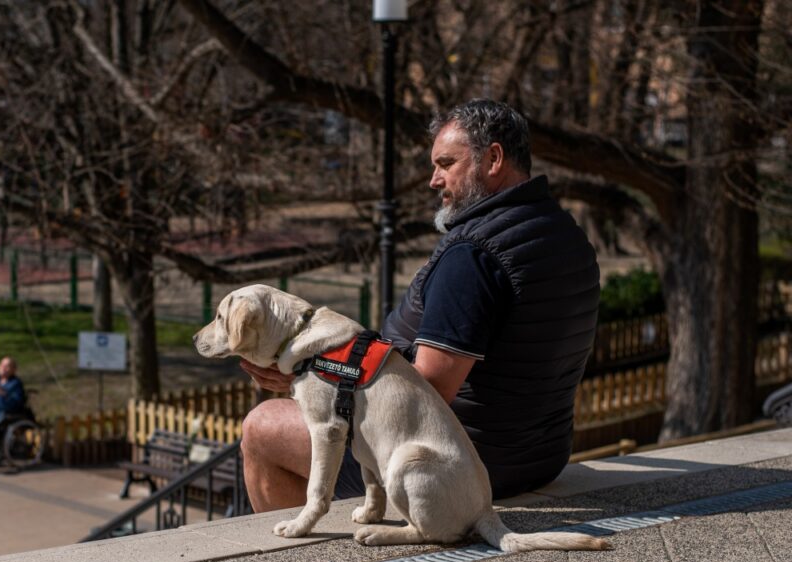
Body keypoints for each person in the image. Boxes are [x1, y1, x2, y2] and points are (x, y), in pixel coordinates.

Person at [240, 98, 600, 508]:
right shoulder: (562, 231)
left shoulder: (473, 255)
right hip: (539, 456)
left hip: (459, 464)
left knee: (261, 428)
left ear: (494, 159)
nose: (434, 180)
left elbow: (425, 393)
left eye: (446, 164)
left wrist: (308, 379)